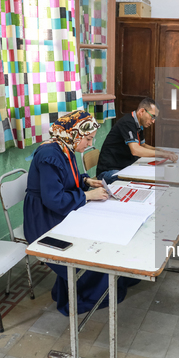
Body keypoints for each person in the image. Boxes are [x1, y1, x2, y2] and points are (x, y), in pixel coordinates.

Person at [23, 110, 139, 315]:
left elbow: (68, 177)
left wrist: (85, 181)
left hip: (56, 208)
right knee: (92, 240)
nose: (89, 144)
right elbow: (54, 200)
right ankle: (86, 294)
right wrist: (88, 196)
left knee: (104, 226)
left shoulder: (65, 147)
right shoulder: (50, 154)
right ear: (74, 133)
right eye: (87, 139)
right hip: (43, 217)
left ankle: (112, 279)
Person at [96, 97, 178, 184]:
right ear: (142, 111)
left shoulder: (138, 124)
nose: (153, 121)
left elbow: (142, 145)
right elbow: (135, 150)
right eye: (152, 116)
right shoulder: (127, 122)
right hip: (109, 172)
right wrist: (163, 155)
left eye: (155, 118)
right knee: (142, 182)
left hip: (125, 168)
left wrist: (163, 151)